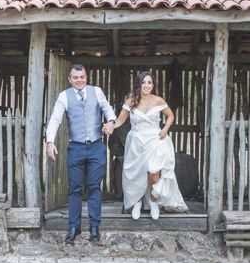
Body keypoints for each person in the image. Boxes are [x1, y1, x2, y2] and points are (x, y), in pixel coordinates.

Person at [46, 64, 116, 244]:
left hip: (95, 147)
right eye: (75, 77)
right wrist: (50, 142)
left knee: (94, 187)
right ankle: (73, 227)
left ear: (86, 77)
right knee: (75, 188)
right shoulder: (64, 96)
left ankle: (94, 227)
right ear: (70, 79)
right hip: (75, 148)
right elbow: (55, 119)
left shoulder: (97, 91)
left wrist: (111, 122)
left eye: (82, 77)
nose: (79, 80)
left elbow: (108, 109)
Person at [110, 71, 188, 220]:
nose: (147, 85)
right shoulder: (131, 101)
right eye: (143, 82)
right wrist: (111, 127)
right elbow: (120, 120)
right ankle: (137, 202)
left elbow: (170, 115)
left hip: (155, 140)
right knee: (135, 175)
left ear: (153, 85)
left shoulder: (158, 100)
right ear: (138, 84)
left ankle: (153, 201)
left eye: (149, 83)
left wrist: (165, 129)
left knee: (154, 173)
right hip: (136, 141)